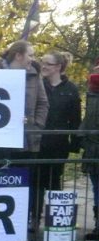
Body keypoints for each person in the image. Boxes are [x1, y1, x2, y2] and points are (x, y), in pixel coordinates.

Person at [3, 40, 49, 230]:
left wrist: (36, 126)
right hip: (2, 141)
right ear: (18, 55)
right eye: (30, 54)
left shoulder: (34, 75)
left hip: (27, 140)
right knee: (3, 181)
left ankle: (21, 223)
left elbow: (43, 103)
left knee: (25, 182)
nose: (33, 58)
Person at [36, 51, 81, 219]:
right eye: (42, 62)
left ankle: (55, 221)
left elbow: (75, 119)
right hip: (38, 141)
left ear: (58, 67)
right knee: (37, 181)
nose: (43, 66)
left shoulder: (71, 89)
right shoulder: (38, 84)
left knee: (54, 181)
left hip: (58, 144)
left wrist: (75, 144)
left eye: (48, 63)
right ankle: (34, 218)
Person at [82, 73, 99, 238]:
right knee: (96, 188)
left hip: (94, 147)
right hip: (92, 147)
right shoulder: (92, 96)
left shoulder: (93, 96)